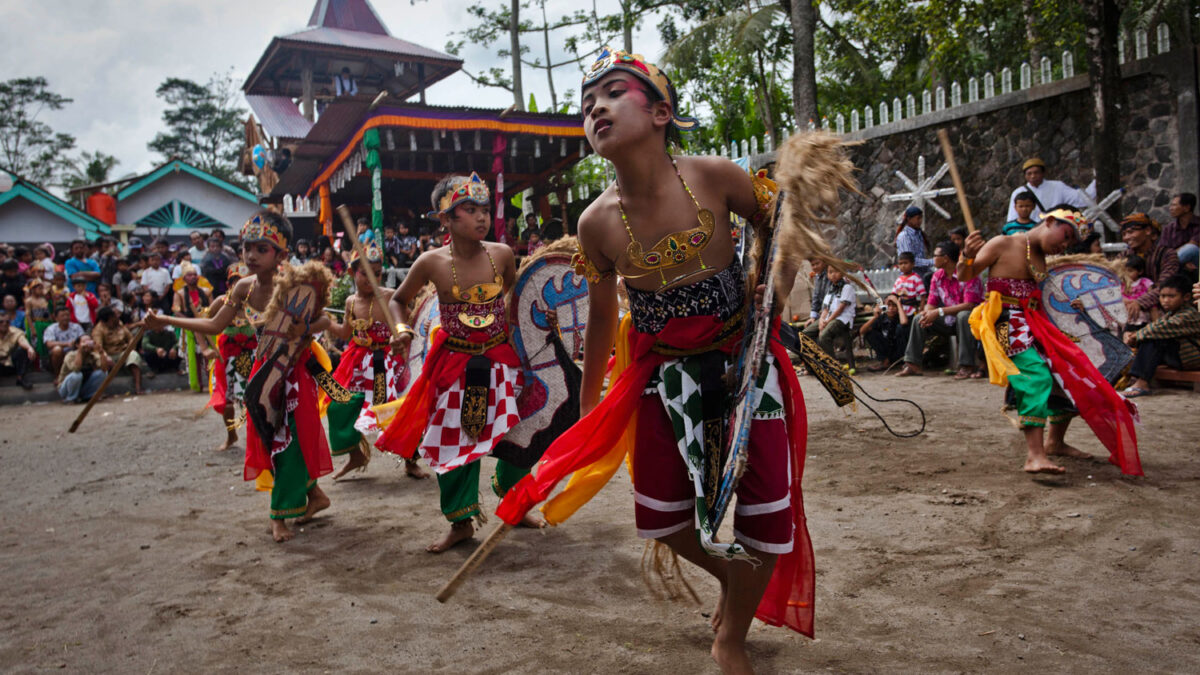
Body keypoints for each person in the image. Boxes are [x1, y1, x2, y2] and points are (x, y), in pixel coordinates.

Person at [493, 48, 825, 671]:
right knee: (664, 521)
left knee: (769, 521)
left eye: (613, 93)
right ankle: (732, 579)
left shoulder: (715, 176)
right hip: (663, 380)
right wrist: (590, 408)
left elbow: (781, 227)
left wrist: (776, 282)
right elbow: (597, 319)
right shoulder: (595, 224)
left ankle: (729, 636)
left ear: (662, 111)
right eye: (586, 104)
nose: (595, 108)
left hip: (746, 370)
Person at [146, 211, 338, 543]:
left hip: (294, 372)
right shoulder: (244, 289)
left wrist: (302, 327)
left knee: (288, 443)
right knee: (270, 440)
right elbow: (214, 326)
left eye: (261, 248)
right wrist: (166, 319)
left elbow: (324, 323)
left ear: (280, 253)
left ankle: (278, 516)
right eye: (247, 247)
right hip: (263, 375)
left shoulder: (296, 285)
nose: (250, 255)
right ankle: (315, 495)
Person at [375, 173, 532, 552]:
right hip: (454, 366)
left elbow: (513, 295)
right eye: (469, 210)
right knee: (454, 446)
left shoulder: (502, 254)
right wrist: (402, 329)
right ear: (445, 219)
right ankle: (461, 523)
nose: (481, 218)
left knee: (522, 437)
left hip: (500, 360)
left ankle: (516, 500)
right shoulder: (431, 263)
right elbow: (399, 300)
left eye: (484, 210)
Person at [960, 207, 1141, 476]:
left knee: (1069, 371)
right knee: (1035, 376)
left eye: (1070, 242)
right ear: (1051, 222)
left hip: (1036, 322)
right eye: (1065, 235)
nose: (1065, 245)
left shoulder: (1041, 257)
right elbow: (965, 275)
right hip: (1004, 322)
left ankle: (1055, 441)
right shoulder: (1003, 243)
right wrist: (966, 254)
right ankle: (1034, 456)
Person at [325, 243, 429, 480]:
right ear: (352, 273)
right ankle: (355, 456)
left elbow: (407, 324)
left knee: (397, 412)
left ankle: (410, 461)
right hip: (358, 363)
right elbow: (344, 333)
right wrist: (324, 323)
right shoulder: (350, 301)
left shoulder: (390, 297)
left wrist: (398, 337)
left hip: (387, 363)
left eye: (377, 273)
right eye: (365, 273)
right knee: (338, 406)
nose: (371, 279)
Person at [896, 240, 983, 379]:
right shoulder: (937, 276)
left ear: (946, 258)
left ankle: (967, 365)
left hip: (971, 321)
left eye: (936, 256)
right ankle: (913, 364)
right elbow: (931, 302)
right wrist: (927, 313)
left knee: (963, 315)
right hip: (948, 320)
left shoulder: (968, 273)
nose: (933, 259)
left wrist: (938, 312)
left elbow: (969, 305)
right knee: (919, 318)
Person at [204, 263, 255, 452]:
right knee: (226, 402)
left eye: (242, 282)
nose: (238, 285)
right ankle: (231, 435)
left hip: (251, 355)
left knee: (252, 400)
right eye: (234, 281)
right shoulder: (221, 301)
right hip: (227, 356)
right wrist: (208, 348)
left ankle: (254, 440)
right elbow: (205, 323)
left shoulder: (256, 302)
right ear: (229, 283)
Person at [1121, 275, 1199, 397]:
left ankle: (1142, 383)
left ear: (1186, 297)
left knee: (1154, 338)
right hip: (1179, 357)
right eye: (1162, 296)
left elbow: (1161, 328)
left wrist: (1135, 336)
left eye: (1171, 296)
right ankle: (1135, 379)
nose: (1165, 300)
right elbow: (1157, 325)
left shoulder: (1190, 314)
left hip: (1192, 359)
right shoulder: (1170, 314)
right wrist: (1133, 336)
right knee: (1148, 336)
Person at [1120, 213, 1180, 325]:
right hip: (1127, 310)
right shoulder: (1122, 257)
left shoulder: (1167, 254)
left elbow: (1165, 286)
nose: (1126, 237)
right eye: (1124, 234)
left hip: (1162, 311)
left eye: (1131, 232)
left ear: (1147, 230)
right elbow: (1110, 283)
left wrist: (1140, 302)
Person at [1004, 158, 1090, 221]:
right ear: (1025, 176)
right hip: (1030, 232)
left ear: (1043, 173)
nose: (1033, 176)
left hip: (1053, 230)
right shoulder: (1018, 192)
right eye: (1029, 173)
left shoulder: (1058, 187)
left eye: (1036, 172)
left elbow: (1080, 199)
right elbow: (1013, 217)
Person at [92, 306, 144, 395]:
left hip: (124, 351)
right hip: (109, 354)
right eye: (113, 317)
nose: (116, 318)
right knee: (102, 361)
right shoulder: (98, 330)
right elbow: (98, 348)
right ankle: (101, 391)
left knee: (133, 355)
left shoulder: (119, 323)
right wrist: (105, 357)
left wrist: (131, 347)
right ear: (108, 320)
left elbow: (130, 337)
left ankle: (138, 387)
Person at [814, 265, 858, 360]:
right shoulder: (830, 289)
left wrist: (827, 321)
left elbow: (841, 309)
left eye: (836, 271)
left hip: (843, 318)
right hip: (829, 318)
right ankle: (812, 366)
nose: (833, 275)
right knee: (806, 333)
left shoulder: (847, 287)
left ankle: (834, 365)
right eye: (830, 272)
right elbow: (825, 309)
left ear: (842, 272)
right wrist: (822, 320)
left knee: (824, 337)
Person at [862, 294, 909, 371]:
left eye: (894, 306)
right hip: (888, 351)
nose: (891, 308)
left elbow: (904, 322)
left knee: (901, 328)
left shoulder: (901, 316)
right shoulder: (882, 318)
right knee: (870, 332)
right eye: (888, 305)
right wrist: (874, 317)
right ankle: (885, 362)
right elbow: (862, 331)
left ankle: (904, 362)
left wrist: (898, 303)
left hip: (900, 351)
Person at [58, 334, 106, 403]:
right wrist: (80, 351)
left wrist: (101, 352)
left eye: (89, 341)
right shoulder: (71, 355)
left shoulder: (93, 355)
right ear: (77, 345)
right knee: (77, 375)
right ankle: (70, 398)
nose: (87, 344)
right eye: (84, 342)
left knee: (101, 373)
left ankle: (89, 396)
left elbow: (104, 369)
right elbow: (76, 369)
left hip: (82, 387)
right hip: (66, 388)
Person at [1162, 193, 1200, 272]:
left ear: (1187, 208)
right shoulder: (1169, 228)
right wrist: (1184, 262)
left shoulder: (1198, 224)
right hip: (1177, 264)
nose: (1171, 208)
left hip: (1196, 262)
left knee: (1191, 249)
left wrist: (1173, 256)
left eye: (1174, 205)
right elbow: (1163, 250)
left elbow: (1194, 245)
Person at [894, 205, 935, 278]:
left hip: (922, 275)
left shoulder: (919, 234)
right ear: (909, 219)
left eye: (921, 218)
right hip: (911, 277)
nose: (920, 221)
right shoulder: (904, 236)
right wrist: (932, 262)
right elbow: (909, 260)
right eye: (918, 218)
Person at [43, 307, 84, 378]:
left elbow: (84, 338)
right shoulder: (51, 328)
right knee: (57, 350)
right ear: (56, 318)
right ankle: (58, 375)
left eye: (67, 315)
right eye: (62, 316)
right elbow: (49, 344)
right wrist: (66, 344)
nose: (65, 318)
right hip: (60, 355)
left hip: (75, 354)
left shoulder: (76, 327)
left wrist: (78, 343)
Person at [0, 308, 36, 389]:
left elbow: (22, 340)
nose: (4, 324)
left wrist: (29, 348)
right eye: (1, 322)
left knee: (24, 350)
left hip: (11, 364)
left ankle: (20, 378)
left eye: (7, 322)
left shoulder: (15, 331)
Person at [23, 279, 52, 366]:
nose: (41, 290)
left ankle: (45, 364)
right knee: (36, 344)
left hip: (46, 323)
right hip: (36, 324)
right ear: (33, 289)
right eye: (39, 288)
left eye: (41, 288)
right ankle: (36, 365)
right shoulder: (29, 300)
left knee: (45, 343)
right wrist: (32, 329)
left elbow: (48, 313)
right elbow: (28, 315)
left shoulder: (43, 299)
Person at [890, 252, 925, 318]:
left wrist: (921, 309)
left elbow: (923, 295)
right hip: (900, 311)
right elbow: (893, 295)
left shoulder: (916, 278)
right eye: (900, 263)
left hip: (913, 310)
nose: (903, 266)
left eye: (905, 263)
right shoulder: (898, 280)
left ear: (913, 264)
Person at [1122, 255, 1153, 326]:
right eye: (1124, 271)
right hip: (1126, 312)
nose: (1126, 274)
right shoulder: (1122, 284)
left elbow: (1150, 296)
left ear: (1140, 271)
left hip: (1142, 311)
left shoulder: (1145, 282)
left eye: (1130, 271)